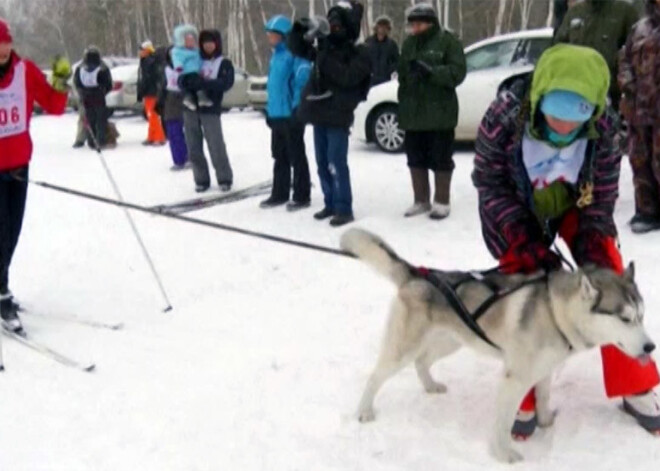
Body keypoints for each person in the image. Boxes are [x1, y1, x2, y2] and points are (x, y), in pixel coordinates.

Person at [473, 43, 660, 440]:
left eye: (572, 121)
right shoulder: (503, 117)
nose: (561, 129)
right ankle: (522, 391)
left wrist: (592, 238)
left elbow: (604, 192)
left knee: (608, 274)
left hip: (577, 205)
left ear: (591, 112)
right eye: (553, 116)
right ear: (539, 98)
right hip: (518, 211)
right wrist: (522, 237)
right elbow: (488, 181)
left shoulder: (607, 127)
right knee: (526, 288)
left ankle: (636, 383)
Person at [0, 18, 69, 333]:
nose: (2, 49)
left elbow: (54, 106)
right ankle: (2, 294)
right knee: (0, 236)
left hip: (19, 167)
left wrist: (60, 81)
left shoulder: (25, 71)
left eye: (6, 42)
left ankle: (2, 284)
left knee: (12, 234)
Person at [296, 1, 372, 227]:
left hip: (338, 115)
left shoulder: (359, 53)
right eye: (330, 26)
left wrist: (325, 55)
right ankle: (330, 202)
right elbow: (296, 46)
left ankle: (343, 207)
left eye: (337, 27)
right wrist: (307, 32)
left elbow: (347, 77)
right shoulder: (324, 49)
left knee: (335, 162)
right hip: (319, 112)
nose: (333, 31)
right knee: (321, 161)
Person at [397, 3, 466, 220]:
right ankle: (421, 200)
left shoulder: (448, 41)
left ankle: (441, 201)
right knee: (415, 158)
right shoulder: (409, 44)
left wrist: (431, 72)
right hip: (413, 113)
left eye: (417, 25)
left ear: (430, 23)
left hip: (440, 114)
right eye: (412, 25)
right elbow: (402, 72)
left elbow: (458, 72)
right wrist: (408, 76)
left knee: (441, 158)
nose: (414, 29)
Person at [260, 15, 312, 211]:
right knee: (279, 155)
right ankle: (279, 192)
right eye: (269, 34)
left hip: (291, 113)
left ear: (282, 36)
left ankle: (301, 194)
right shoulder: (276, 56)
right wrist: (269, 110)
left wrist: (296, 107)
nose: (269, 38)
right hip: (277, 114)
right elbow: (274, 87)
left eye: (273, 35)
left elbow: (301, 81)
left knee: (296, 155)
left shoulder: (294, 54)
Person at [619, 0, 660, 234]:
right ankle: (647, 211)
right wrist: (627, 84)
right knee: (640, 160)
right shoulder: (639, 28)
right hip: (639, 109)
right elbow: (624, 58)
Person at [554, 0, 639, 110]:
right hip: (574, 94)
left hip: (611, 98)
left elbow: (634, 56)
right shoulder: (576, 12)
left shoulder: (624, 12)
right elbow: (558, 51)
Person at [179, 28, 235, 193]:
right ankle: (201, 179)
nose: (208, 46)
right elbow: (180, 78)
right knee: (193, 145)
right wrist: (189, 83)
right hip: (190, 107)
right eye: (205, 43)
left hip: (210, 107)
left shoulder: (223, 62)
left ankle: (224, 178)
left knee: (216, 145)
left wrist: (204, 84)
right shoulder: (194, 59)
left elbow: (226, 83)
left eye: (211, 43)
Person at [73, 46, 113, 150]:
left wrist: (82, 92)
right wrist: (103, 91)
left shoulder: (80, 67)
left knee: (90, 120)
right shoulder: (103, 67)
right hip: (99, 97)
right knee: (101, 120)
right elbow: (108, 83)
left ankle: (91, 141)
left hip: (86, 98)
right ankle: (100, 141)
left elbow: (77, 82)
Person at [156, 46, 188, 171]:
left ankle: (191, 156)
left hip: (186, 99)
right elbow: (161, 87)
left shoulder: (188, 67)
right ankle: (179, 159)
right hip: (170, 101)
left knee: (189, 131)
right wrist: (160, 104)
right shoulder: (165, 69)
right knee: (173, 131)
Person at [171, 26, 213, 112]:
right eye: (188, 40)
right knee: (193, 84)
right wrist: (178, 66)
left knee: (198, 82)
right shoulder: (178, 51)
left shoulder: (196, 51)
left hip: (196, 72)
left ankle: (196, 98)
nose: (191, 42)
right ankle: (195, 97)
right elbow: (177, 59)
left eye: (192, 40)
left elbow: (200, 60)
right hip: (186, 73)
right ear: (182, 41)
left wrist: (204, 68)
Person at [138, 40, 167, 146]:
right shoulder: (146, 61)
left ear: (146, 51)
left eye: (141, 50)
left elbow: (148, 78)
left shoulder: (148, 62)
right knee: (150, 115)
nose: (140, 52)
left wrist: (143, 89)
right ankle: (152, 136)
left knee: (152, 114)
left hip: (151, 92)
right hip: (150, 92)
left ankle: (159, 137)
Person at [365, 15, 399, 87]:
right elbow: (363, 59)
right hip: (370, 80)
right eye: (381, 26)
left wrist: (390, 70)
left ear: (388, 29)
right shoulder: (368, 42)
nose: (383, 29)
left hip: (386, 80)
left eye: (385, 27)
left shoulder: (392, 44)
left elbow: (397, 61)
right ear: (376, 28)